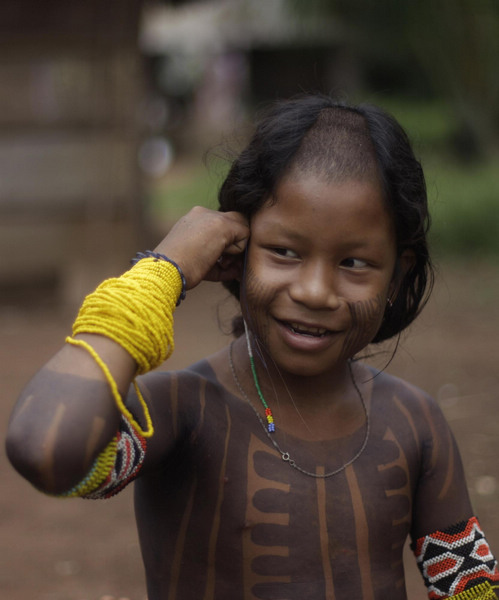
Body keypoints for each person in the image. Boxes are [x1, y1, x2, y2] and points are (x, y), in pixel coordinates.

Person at [6, 95, 499, 600]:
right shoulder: (184, 410)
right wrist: (161, 273)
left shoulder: (416, 424)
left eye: (353, 262)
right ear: (234, 250)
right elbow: (46, 451)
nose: (313, 290)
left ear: (399, 275)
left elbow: (469, 589)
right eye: (284, 252)